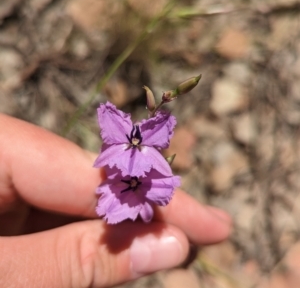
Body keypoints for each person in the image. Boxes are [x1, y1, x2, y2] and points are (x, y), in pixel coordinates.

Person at [0, 113, 231, 288]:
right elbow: (108, 164)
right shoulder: (122, 151)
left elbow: (150, 179)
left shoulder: (153, 165)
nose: (135, 143)